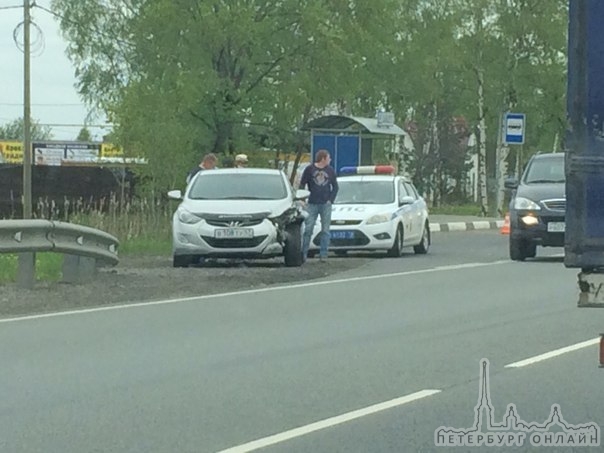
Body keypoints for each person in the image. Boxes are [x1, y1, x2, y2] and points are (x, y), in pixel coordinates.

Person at [300, 149, 338, 262]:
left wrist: (330, 200)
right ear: (323, 158)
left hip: (325, 204)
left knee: (325, 230)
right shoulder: (309, 169)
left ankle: (323, 255)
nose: (330, 160)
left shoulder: (330, 171)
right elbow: (302, 184)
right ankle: (303, 254)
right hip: (312, 203)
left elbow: (335, 187)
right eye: (328, 158)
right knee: (308, 229)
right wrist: (302, 199)